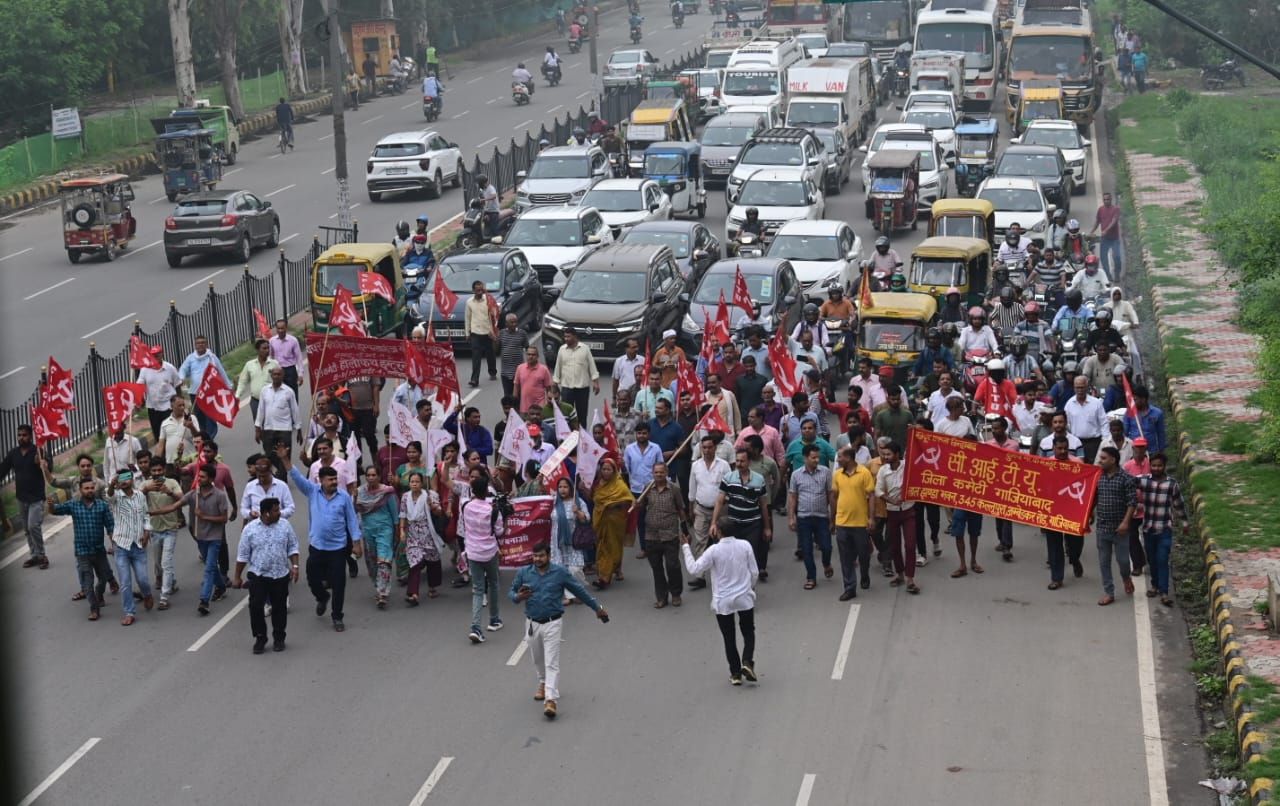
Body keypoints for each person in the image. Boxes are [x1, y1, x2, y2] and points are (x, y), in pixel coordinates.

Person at [510, 542, 609, 718]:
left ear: (549, 556)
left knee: (551, 662)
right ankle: (543, 682)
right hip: (532, 623)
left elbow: (579, 591)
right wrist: (518, 597)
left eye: (541, 555)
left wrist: (597, 608)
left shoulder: (560, 573)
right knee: (537, 659)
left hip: (553, 622)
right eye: (535, 556)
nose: (537, 559)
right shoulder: (524, 573)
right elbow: (511, 593)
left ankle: (551, 700)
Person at [280, 445, 363, 632]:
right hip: (317, 546)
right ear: (321, 480)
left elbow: (352, 520)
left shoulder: (343, 497)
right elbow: (296, 477)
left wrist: (357, 543)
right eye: (330, 479)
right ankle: (322, 597)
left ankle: (337, 616)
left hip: (338, 548)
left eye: (335, 479)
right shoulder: (312, 491)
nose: (334, 482)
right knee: (312, 577)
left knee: (339, 584)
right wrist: (285, 459)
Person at [680, 522, 759, 686]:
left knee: (729, 637)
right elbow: (754, 572)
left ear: (719, 532)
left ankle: (735, 674)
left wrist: (686, 547)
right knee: (748, 631)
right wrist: (749, 588)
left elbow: (694, 569)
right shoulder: (745, 546)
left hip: (723, 601)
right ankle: (747, 661)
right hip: (744, 598)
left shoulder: (714, 550)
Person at [233, 498, 299, 653]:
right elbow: (242, 555)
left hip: (280, 575)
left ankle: (279, 638)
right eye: (276, 510)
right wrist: (237, 576)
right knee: (256, 607)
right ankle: (260, 637)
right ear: (266, 513)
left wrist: (295, 566)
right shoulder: (250, 529)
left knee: (279, 608)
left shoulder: (285, 526)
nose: (279, 513)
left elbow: (293, 547)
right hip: (258, 575)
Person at [49, 478, 114, 621]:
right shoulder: (74, 504)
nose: (90, 491)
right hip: (82, 551)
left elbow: (110, 526)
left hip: (99, 550)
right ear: (80, 490)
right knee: (87, 582)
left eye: (92, 488)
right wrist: (50, 505)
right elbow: (56, 510)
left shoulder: (102, 506)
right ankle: (94, 609)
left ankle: (99, 593)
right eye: (86, 488)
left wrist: (114, 544)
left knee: (103, 579)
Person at [1134, 452, 1188, 607]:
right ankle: (1155, 585)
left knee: (1163, 559)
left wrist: (1185, 522)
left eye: (1159, 465)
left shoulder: (1172, 484)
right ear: (1150, 465)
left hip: (1165, 529)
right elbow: (1126, 481)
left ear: (1164, 466)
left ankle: (1164, 592)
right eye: (1154, 465)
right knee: (1152, 560)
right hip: (1148, 529)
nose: (1156, 468)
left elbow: (1178, 504)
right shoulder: (1143, 481)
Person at [713, 448, 772, 580]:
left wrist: (767, 528)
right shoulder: (728, 478)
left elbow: (763, 505)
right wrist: (713, 523)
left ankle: (750, 581)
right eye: (737, 461)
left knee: (750, 552)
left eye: (742, 461)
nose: (739, 464)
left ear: (749, 462)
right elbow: (719, 501)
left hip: (753, 524)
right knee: (734, 554)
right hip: (733, 524)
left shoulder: (759, 479)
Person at [461, 476, 506, 642]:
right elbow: (499, 532)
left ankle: (476, 627)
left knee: (478, 589)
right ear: (487, 491)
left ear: (473, 491)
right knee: (493, 584)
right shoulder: (493, 510)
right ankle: (494, 620)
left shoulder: (465, 506)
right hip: (489, 552)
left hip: (472, 553)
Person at [1093, 446, 1137, 606]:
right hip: (1102, 527)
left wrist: (1125, 522)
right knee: (1104, 562)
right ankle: (1109, 592)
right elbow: (1093, 497)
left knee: (1123, 561)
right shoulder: (1098, 477)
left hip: (1120, 530)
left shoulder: (1126, 479)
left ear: (1113, 460)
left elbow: (1132, 502)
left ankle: (1126, 577)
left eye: (1103, 458)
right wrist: (1089, 513)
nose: (1100, 461)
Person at [831, 445, 876, 600]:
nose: (838, 459)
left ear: (849, 458)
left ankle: (864, 574)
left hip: (860, 523)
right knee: (845, 557)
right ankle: (850, 587)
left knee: (863, 554)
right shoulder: (837, 475)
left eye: (840, 456)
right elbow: (834, 496)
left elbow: (871, 496)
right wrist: (832, 518)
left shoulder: (864, 473)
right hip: (842, 522)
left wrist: (871, 518)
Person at [639, 462, 687, 607]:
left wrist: (685, 530)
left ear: (666, 473)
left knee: (673, 566)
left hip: (670, 534)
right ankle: (661, 597)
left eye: (661, 472)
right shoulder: (647, 488)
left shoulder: (674, 489)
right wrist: (636, 505)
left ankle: (676, 594)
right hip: (651, 535)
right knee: (656, 568)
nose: (659, 475)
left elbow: (681, 509)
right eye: (656, 472)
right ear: (652, 473)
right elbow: (642, 507)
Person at [789, 444, 834, 590]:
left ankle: (826, 563)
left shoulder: (825, 472)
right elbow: (793, 497)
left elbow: (830, 494)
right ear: (805, 458)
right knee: (807, 549)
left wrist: (833, 516)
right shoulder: (796, 475)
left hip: (822, 517)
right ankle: (811, 577)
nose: (816, 460)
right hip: (804, 517)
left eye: (818, 457)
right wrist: (791, 517)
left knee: (826, 546)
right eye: (813, 458)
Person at [876, 440, 918, 594]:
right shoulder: (883, 471)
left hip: (908, 510)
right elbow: (878, 490)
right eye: (884, 454)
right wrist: (891, 500)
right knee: (895, 546)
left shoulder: (908, 466)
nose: (885, 457)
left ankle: (910, 578)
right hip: (892, 511)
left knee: (910, 545)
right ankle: (900, 574)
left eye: (888, 454)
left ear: (897, 454)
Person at [1044, 435, 1086, 589]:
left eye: (1065, 449)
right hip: (1052, 509)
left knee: (1075, 543)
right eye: (1059, 448)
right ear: (1053, 448)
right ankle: (1057, 578)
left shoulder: (1078, 464)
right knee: (1054, 545)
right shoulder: (1046, 464)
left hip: (1073, 510)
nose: (1062, 451)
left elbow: (1086, 488)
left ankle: (1074, 560)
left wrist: (1089, 511)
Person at [3, 425, 48, 569]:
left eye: (24, 435)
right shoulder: (13, 453)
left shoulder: (38, 451)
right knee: (27, 530)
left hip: (36, 497)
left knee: (33, 526)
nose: (21, 438)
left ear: (30, 436)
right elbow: (3, 470)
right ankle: (34, 556)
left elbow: (50, 467)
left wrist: (42, 464)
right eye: (19, 435)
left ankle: (42, 555)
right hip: (21, 497)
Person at [399, 470, 447, 605]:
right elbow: (402, 514)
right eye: (412, 482)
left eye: (417, 482)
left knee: (433, 560)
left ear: (422, 483)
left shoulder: (430, 495)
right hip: (413, 534)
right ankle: (413, 594)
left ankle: (433, 587)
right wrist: (402, 531)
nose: (414, 484)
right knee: (414, 563)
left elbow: (439, 512)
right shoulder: (405, 497)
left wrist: (432, 506)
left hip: (428, 533)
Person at [142, 460, 184, 609]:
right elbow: (135, 500)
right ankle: (171, 582)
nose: (157, 473)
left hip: (170, 529)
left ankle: (164, 598)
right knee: (159, 564)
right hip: (154, 530)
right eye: (154, 471)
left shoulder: (172, 483)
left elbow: (183, 499)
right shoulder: (145, 485)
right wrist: (145, 491)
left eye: (159, 470)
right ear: (150, 471)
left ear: (164, 470)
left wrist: (170, 492)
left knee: (166, 563)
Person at [588, 455, 634, 589]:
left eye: (609, 469)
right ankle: (606, 572)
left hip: (615, 522)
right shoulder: (597, 484)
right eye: (604, 469)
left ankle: (605, 578)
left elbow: (629, 501)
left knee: (612, 546)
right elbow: (592, 499)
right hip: (599, 520)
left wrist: (613, 504)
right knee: (601, 546)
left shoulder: (619, 485)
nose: (606, 472)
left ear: (614, 471)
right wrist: (584, 489)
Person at [356, 466, 399, 609]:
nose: (371, 478)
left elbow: (395, 514)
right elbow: (354, 510)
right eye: (368, 475)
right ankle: (378, 585)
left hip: (385, 530)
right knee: (372, 562)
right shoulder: (360, 492)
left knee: (383, 561)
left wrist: (398, 532)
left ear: (379, 477)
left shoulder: (387, 492)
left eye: (374, 475)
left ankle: (382, 593)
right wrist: (353, 497)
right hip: (368, 531)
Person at [177, 335, 231, 439]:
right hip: (195, 393)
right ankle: (203, 435)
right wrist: (181, 377)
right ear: (195, 345)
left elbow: (221, 371)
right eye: (198, 343)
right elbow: (183, 369)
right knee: (199, 417)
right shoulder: (190, 358)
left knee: (210, 416)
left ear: (206, 344)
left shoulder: (212, 358)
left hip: (209, 393)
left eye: (203, 343)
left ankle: (210, 437)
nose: (200, 345)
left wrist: (228, 386)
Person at [985, 417, 1019, 561]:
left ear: (1004, 428)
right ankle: (1001, 540)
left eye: (997, 428)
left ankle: (1007, 546)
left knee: (1006, 515)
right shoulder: (988, 445)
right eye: (992, 428)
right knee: (998, 514)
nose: (994, 431)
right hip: (994, 484)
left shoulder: (1014, 445)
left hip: (1009, 485)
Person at [552, 328, 600, 424]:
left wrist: (595, 382)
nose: (566, 339)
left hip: (582, 389)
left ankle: (582, 432)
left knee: (582, 415)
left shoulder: (585, 349)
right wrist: (555, 384)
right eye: (565, 336)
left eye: (568, 336)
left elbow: (592, 365)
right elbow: (558, 367)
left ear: (575, 337)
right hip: (566, 388)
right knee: (566, 415)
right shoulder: (562, 349)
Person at [138, 346, 182, 440]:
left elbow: (177, 384)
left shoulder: (170, 368)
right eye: (153, 355)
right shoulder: (145, 369)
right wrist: (140, 400)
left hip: (168, 406)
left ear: (162, 354)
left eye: (157, 355)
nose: (155, 357)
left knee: (169, 432)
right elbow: (140, 386)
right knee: (157, 434)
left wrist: (180, 402)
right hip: (153, 407)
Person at [1065, 375, 1108, 462]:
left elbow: (1104, 423)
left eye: (1082, 387)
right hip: (1076, 443)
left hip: (1094, 443)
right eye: (1077, 388)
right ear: (1074, 388)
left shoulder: (1096, 403)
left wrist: (1105, 441)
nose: (1080, 390)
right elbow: (1067, 424)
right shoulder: (1069, 404)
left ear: (1087, 387)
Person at [465, 280, 499, 387]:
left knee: (490, 354)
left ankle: (492, 372)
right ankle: (474, 379)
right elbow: (467, 318)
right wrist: (467, 333)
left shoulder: (488, 300)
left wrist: (494, 331)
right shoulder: (469, 302)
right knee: (476, 357)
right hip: (475, 333)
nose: (479, 292)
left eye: (481, 290)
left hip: (488, 332)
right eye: (477, 290)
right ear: (473, 290)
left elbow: (495, 314)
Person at [1124, 385, 1167, 454]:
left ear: (1143, 399)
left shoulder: (1157, 413)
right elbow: (1125, 432)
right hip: (1134, 452)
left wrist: (1161, 451)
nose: (1133, 403)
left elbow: (1161, 434)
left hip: (1151, 452)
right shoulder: (1129, 412)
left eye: (1135, 400)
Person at [269, 319, 304, 394]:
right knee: (278, 393)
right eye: (278, 328)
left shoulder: (293, 340)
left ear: (286, 328)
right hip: (277, 370)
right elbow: (270, 356)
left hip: (290, 370)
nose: (280, 330)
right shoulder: (272, 341)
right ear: (276, 329)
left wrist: (300, 374)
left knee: (292, 393)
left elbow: (299, 357)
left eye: (282, 328)